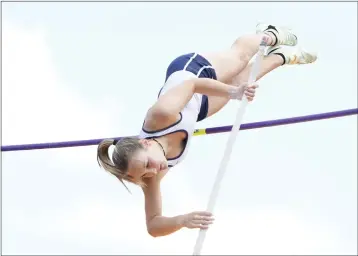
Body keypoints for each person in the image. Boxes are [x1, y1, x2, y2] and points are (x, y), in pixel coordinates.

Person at [97, 23, 317, 237]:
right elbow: (153, 225)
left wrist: (233, 92)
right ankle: (281, 56)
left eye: (147, 165)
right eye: (145, 174)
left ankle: (269, 34)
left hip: (192, 72)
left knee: (239, 59)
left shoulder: (160, 115)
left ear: (144, 142)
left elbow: (192, 85)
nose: (153, 172)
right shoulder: (151, 175)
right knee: (241, 79)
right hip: (197, 108)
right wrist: (181, 221)